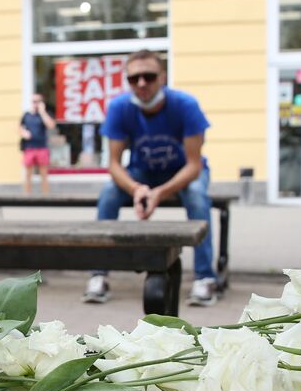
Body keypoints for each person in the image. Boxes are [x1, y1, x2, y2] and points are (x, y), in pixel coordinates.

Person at [82, 49, 218, 307]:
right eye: (134, 78)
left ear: (162, 77)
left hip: (182, 171)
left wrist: (159, 193)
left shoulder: (185, 105)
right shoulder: (120, 108)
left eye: (149, 76)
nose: (141, 83)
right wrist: (136, 189)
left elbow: (193, 165)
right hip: (142, 172)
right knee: (109, 194)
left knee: (197, 196)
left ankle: (204, 278)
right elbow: (113, 164)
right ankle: (98, 275)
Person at [19, 93, 57, 195]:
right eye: (33, 101)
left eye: (38, 101)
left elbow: (51, 125)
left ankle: (45, 195)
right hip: (29, 147)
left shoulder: (44, 114)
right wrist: (24, 133)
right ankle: (27, 194)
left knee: (43, 174)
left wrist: (43, 112)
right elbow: (19, 127)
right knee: (28, 174)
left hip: (42, 147)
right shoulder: (26, 115)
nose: (35, 104)